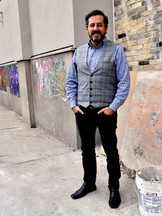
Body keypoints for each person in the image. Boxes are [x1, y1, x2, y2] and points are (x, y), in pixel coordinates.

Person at [65, 10, 130, 209]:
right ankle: (89, 183)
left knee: (110, 150)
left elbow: (124, 82)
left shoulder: (116, 50)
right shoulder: (78, 52)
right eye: (92, 25)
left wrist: (113, 107)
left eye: (99, 25)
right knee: (86, 150)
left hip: (106, 112)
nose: (96, 29)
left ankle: (113, 187)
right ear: (87, 29)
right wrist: (74, 105)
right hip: (83, 111)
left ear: (106, 28)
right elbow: (71, 82)